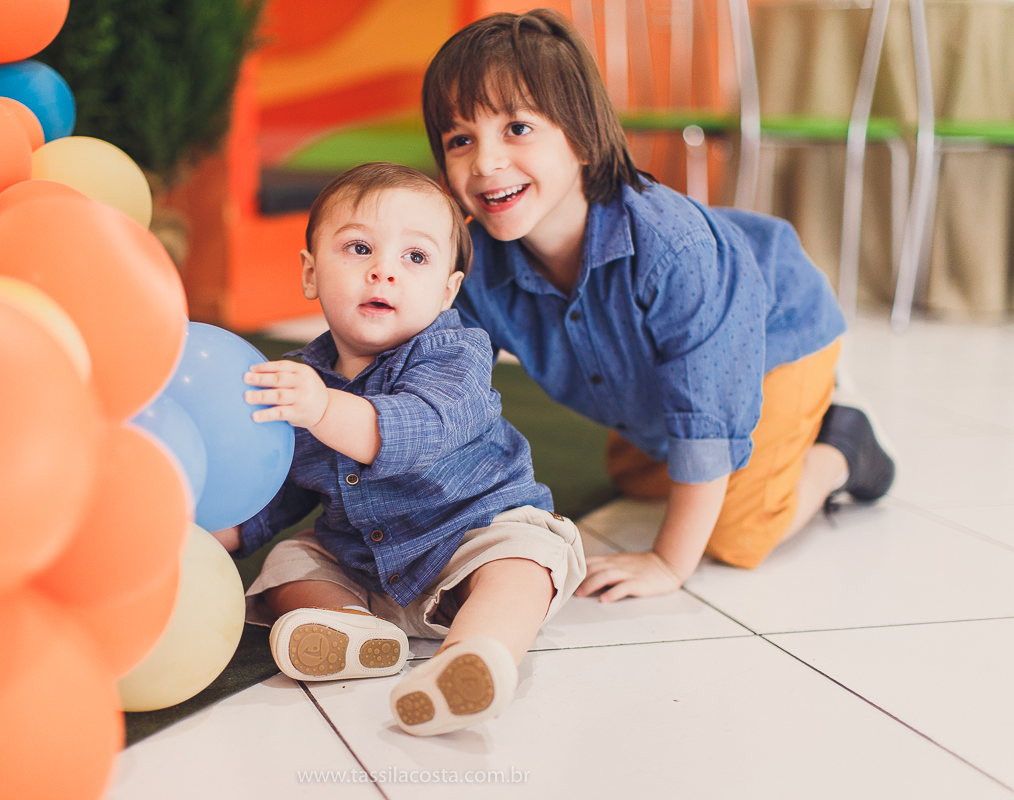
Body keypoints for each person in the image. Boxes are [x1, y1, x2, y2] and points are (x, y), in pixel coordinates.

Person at [420, 9, 895, 602]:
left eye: (517, 128)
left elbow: (705, 416)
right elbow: (447, 385)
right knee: (638, 477)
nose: (485, 162)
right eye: (460, 139)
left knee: (737, 532)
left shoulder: (673, 249)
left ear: (583, 136)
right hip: (663, 373)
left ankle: (846, 443)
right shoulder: (478, 264)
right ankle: (787, 439)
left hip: (773, 336)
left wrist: (670, 562)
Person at [211, 162, 585, 737]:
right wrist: (217, 533)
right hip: (362, 560)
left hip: (475, 535)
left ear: (447, 290)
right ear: (311, 273)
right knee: (290, 562)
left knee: (528, 560)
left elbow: (419, 429)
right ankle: (351, 630)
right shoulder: (300, 381)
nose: (383, 271)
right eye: (358, 248)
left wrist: (323, 411)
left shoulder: (456, 354)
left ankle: (474, 658)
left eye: (415, 258)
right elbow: (278, 486)